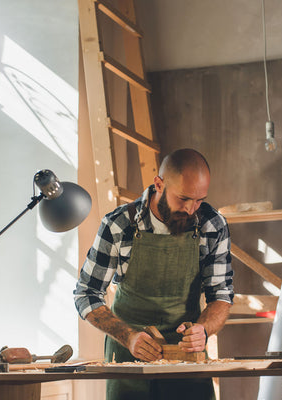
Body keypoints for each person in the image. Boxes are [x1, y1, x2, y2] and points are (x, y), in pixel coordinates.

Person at [74, 148, 234, 400]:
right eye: (183, 199)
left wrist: (202, 331)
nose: (192, 209)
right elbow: (86, 294)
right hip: (130, 356)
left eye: (199, 200)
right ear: (158, 184)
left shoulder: (211, 225)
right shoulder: (118, 225)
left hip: (187, 358)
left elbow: (221, 295)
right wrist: (128, 337)